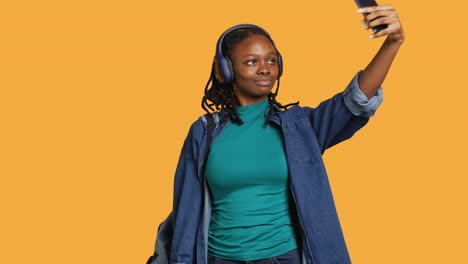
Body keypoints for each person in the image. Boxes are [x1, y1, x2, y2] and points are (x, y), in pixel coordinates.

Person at [148, 5, 405, 264]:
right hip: (218, 258)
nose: (265, 68)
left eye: (271, 60)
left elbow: (355, 100)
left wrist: (392, 43)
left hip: (283, 258)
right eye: (251, 61)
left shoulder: (301, 126)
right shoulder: (204, 132)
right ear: (225, 70)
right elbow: (187, 210)